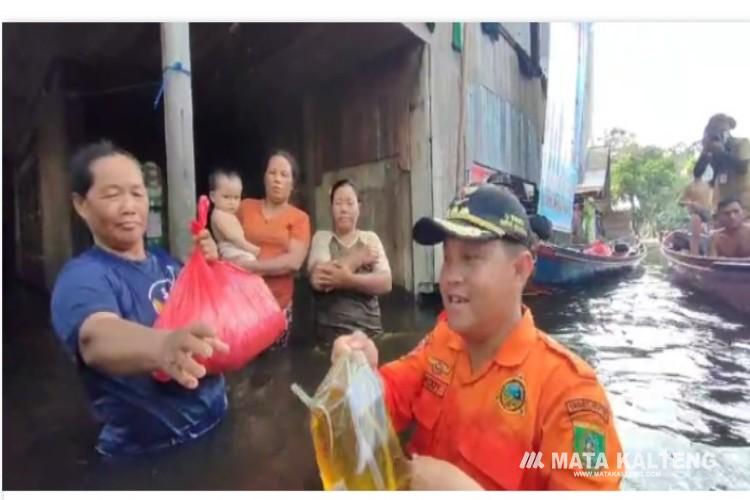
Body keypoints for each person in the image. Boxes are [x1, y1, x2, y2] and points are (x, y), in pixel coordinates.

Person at [331, 184, 624, 490]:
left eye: (470, 258)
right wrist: (355, 372)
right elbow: (384, 401)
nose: (450, 277)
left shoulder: (570, 395)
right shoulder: (442, 342)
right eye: (447, 258)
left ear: (520, 270)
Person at [50, 141, 229, 457]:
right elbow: (96, 338)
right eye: (112, 194)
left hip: (217, 429)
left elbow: (212, 325)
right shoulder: (82, 277)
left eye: (137, 193)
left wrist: (208, 271)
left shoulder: (168, 264)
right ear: (80, 204)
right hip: (148, 456)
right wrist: (161, 346)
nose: (129, 206)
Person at [232, 150, 311, 348]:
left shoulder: (299, 218)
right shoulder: (245, 207)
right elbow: (225, 236)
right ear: (264, 177)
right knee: (240, 362)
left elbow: (293, 262)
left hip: (277, 306)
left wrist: (252, 267)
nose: (277, 179)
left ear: (293, 184)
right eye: (272, 173)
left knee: (277, 366)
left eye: (284, 175)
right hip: (241, 304)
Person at [307, 179, 392, 342]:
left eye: (349, 203)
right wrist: (358, 258)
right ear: (331, 208)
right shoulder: (322, 238)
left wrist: (348, 280)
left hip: (370, 333)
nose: (344, 209)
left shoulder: (370, 239)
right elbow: (319, 279)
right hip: (331, 335)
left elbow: (386, 282)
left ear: (359, 208)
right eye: (338, 203)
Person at [693, 113, 750, 213]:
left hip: (743, 205)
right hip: (724, 206)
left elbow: (743, 168)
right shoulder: (714, 151)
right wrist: (705, 151)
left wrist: (720, 152)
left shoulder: (741, 143)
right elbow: (698, 173)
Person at [208, 168, 259, 265]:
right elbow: (234, 238)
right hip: (230, 251)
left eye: (236, 197)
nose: (232, 202)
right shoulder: (220, 215)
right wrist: (252, 249)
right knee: (251, 262)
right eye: (226, 197)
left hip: (236, 249)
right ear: (213, 197)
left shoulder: (228, 214)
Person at [678, 171, 713, 255]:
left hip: (708, 213)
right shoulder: (690, 186)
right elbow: (679, 202)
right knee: (695, 221)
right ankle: (694, 255)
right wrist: (690, 203)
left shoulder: (709, 185)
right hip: (695, 214)